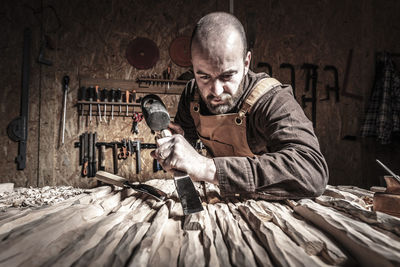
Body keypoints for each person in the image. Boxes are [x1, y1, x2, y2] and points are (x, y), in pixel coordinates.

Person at [151, 12, 328, 199]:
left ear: (246, 63)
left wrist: (207, 168)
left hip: (272, 205)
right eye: (204, 76)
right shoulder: (192, 94)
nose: (216, 91)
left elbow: (312, 171)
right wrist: (177, 146)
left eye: (226, 76)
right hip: (225, 199)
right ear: (193, 66)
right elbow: (188, 143)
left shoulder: (272, 99)